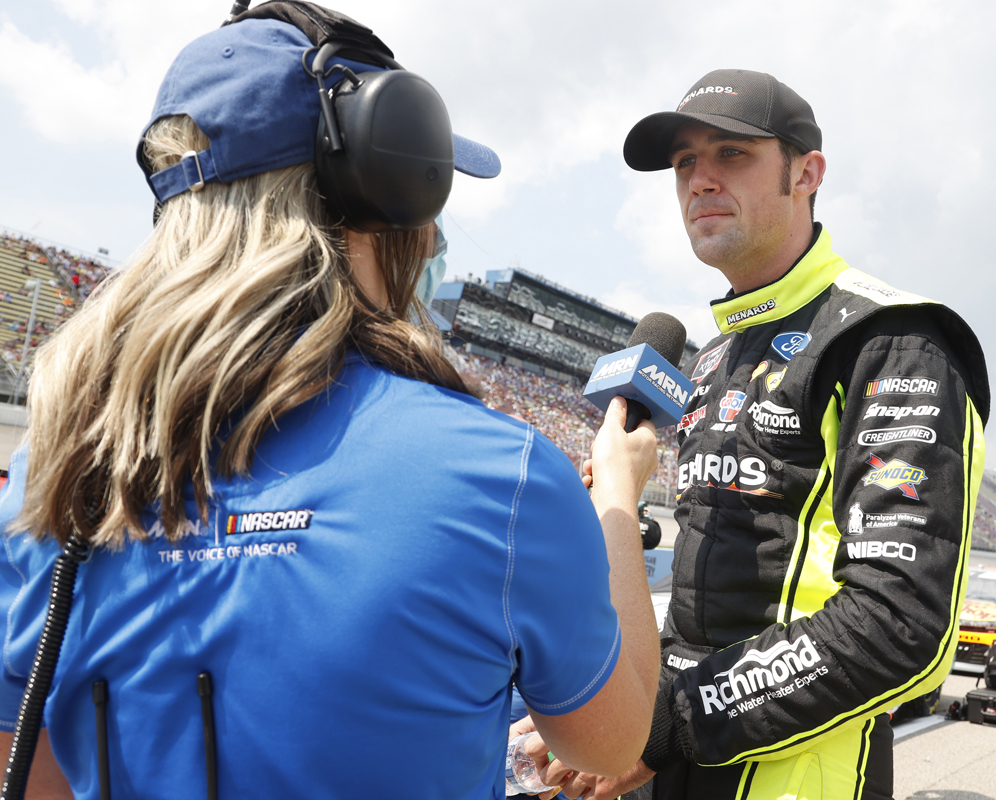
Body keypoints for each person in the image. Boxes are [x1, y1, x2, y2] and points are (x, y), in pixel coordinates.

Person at [0, 4, 659, 798]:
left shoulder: (51, 470)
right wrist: (617, 501)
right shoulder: (503, 475)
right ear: (386, 184)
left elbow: (27, 767)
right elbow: (612, 742)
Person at [538, 69, 989, 800]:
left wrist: (672, 722)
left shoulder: (890, 341)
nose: (700, 180)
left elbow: (899, 622)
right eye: (685, 162)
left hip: (793, 777)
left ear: (806, 174)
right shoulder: (713, 356)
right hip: (669, 763)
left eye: (732, 154)